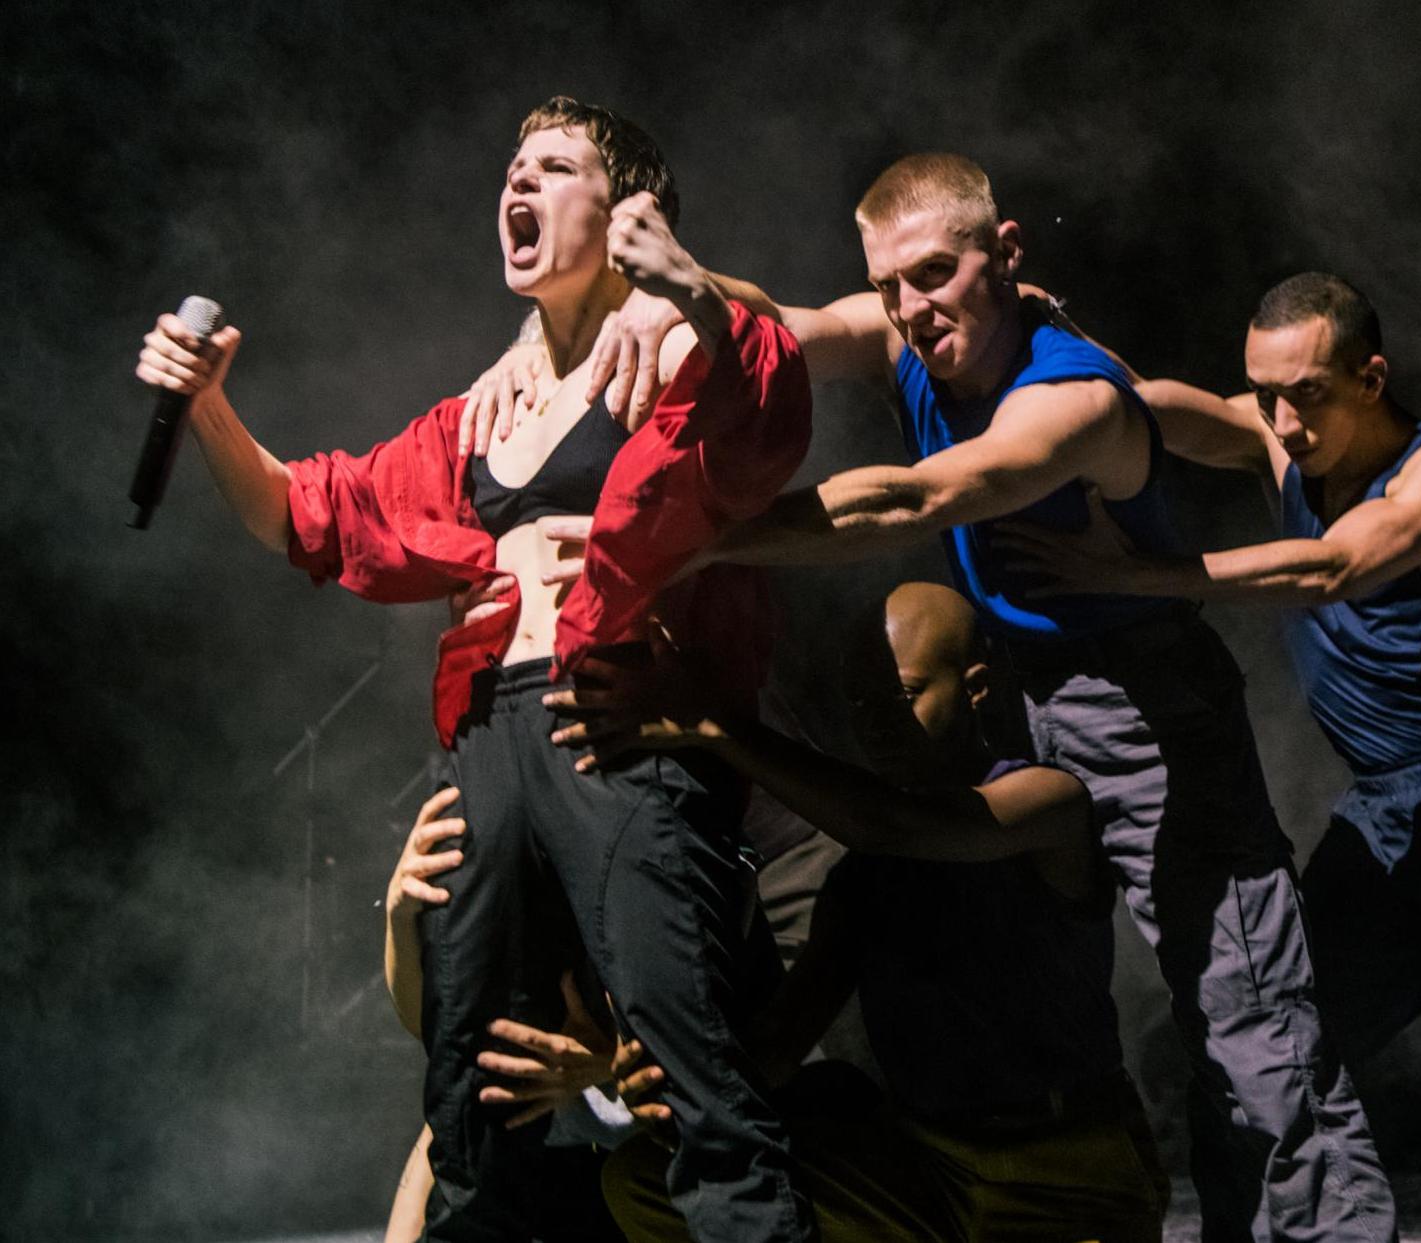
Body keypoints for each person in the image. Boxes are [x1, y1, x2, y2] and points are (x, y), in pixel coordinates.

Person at [492, 153, 1396, 1240]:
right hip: (1030, 694)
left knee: (1251, 1025)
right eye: (889, 288)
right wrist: (689, 286)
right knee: (951, 906)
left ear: (1006, 254)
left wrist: (674, 544)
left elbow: (917, 497)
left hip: (1149, 714)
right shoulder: (906, 339)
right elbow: (787, 326)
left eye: (934, 275)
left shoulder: (1068, 397)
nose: (911, 311)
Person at [133, 96, 815, 1241]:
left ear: (627, 209)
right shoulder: (476, 416)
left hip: (615, 737)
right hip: (488, 747)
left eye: (554, 166)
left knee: (698, 1092)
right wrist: (207, 406)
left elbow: (771, 405)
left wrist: (688, 286)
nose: (519, 184)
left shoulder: (681, 346)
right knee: (471, 1095)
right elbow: (315, 514)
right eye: (512, 167)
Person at [998, 270, 1421, 1176]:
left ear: (1369, 379)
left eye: (1305, 395)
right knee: (1263, 1064)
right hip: (1387, 835)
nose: (1280, 422)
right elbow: (1135, 408)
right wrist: (1048, 336)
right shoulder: (1281, 442)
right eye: (1262, 394)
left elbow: (1332, 568)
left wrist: (1136, 574)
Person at [550, 581, 1169, 1241]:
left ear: (976, 687)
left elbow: (893, 824)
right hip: (929, 1172)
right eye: (860, 701)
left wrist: (716, 725)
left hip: (1068, 1173)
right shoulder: (862, 877)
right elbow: (778, 1048)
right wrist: (641, 1074)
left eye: (899, 695)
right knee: (649, 1179)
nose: (874, 721)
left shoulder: (1049, 803)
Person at [381, 785, 628, 1243]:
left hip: (639, 1159)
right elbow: (426, 1026)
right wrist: (399, 915)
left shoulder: (624, 857)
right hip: (540, 1145)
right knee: (457, 1124)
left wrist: (607, 1065)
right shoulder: (506, 877)